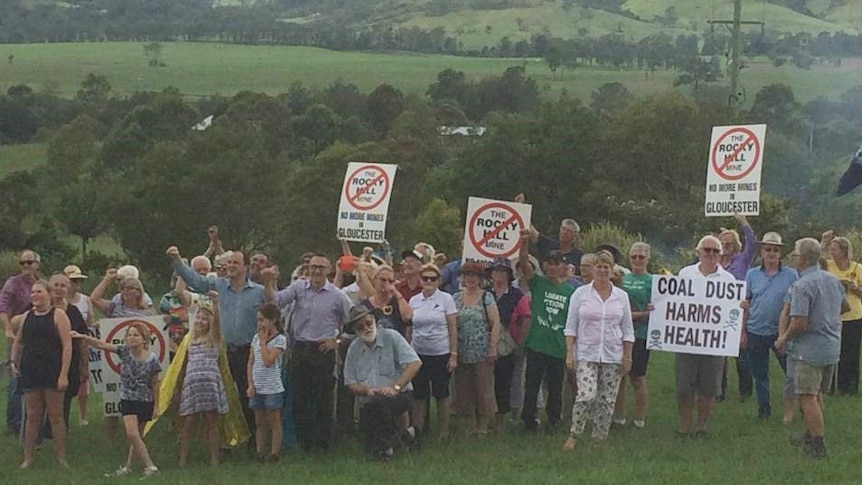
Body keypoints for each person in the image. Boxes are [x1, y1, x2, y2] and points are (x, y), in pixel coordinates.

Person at [168, 245, 273, 445]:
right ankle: (223, 443)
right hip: (223, 353)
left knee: (248, 397)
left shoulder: (258, 292)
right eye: (229, 262)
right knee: (221, 398)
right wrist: (177, 262)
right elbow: (196, 281)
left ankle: (253, 441)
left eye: (235, 263)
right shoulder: (218, 285)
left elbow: (275, 307)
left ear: (246, 267)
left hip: (249, 353)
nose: (231, 266)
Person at [267, 252, 352, 452]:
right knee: (299, 397)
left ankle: (321, 443)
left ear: (329, 270)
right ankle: (304, 441)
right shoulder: (299, 288)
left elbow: (354, 320)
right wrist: (269, 283)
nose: (316, 271)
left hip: (323, 350)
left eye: (321, 267)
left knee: (323, 398)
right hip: (300, 348)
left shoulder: (337, 295)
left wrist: (337, 341)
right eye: (313, 267)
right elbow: (276, 301)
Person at [776, 238, 847, 459]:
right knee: (816, 394)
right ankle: (810, 433)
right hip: (832, 347)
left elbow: (799, 322)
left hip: (809, 350)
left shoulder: (801, 285)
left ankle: (818, 444)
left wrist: (783, 338)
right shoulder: (832, 279)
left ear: (803, 259)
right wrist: (827, 318)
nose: (794, 257)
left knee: (807, 396)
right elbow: (845, 306)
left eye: (796, 254)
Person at [563, 250, 634, 450]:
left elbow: (628, 329)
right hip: (586, 352)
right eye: (599, 266)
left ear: (612, 271)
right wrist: (570, 352)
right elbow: (570, 326)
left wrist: (627, 356)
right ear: (592, 269)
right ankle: (574, 433)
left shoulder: (621, 297)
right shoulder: (581, 294)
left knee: (607, 399)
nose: (602, 270)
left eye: (606, 267)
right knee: (586, 394)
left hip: (613, 353)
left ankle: (599, 438)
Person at [72, 322, 161, 478]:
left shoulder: (152, 359)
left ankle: (128, 467)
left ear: (144, 339)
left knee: (137, 437)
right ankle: (150, 466)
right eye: (130, 335)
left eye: (136, 335)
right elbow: (101, 344)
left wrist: (157, 405)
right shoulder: (124, 352)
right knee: (132, 433)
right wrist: (83, 337)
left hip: (146, 400)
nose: (132, 338)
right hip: (128, 399)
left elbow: (155, 383)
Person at [674, 235, 736, 438]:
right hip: (687, 340)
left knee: (709, 389)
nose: (710, 254)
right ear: (698, 252)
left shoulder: (728, 280)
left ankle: (701, 427)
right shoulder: (685, 274)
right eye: (707, 250)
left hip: (714, 344)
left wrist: (740, 307)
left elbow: (732, 311)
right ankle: (684, 427)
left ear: (721, 254)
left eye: (715, 251)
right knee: (684, 388)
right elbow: (673, 302)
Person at [343, 305, 422, 462]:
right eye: (360, 326)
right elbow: (350, 382)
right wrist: (367, 391)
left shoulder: (392, 337)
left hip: (399, 395)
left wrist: (395, 387)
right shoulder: (354, 349)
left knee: (377, 407)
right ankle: (408, 435)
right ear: (355, 330)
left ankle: (385, 450)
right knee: (373, 406)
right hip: (369, 398)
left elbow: (415, 363)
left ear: (374, 320)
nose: (366, 328)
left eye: (368, 323)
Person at [517, 231, 576, 432]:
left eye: (555, 263)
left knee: (555, 388)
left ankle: (553, 420)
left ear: (563, 267)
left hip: (557, 346)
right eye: (548, 263)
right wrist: (523, 243)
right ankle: (528, 420)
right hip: (536, 344)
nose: (551, 267)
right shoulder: (538, 283)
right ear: (544, 265)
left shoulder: (570, 292)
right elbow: (524, 263)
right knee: (532, 386)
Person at [10, 280, 72, 469]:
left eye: (39, 291)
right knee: (32, 416)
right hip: (31, 370)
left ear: (48, 294)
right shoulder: (27, 316)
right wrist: (13, 362)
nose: (35, 295)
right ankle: (28, 458)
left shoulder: (58, 315)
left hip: (52, 370)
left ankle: (61, 457)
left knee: (56, 416)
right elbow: (18, 341)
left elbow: (67, 345)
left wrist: (63, 374)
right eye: (33, 292)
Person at [742, 232, 798, 420]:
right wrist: (742, 330)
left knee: (791, 373)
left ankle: (797, 409)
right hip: (755, 329)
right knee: (760, 374)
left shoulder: (791, 275)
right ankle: (764, 410)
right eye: (768, 249)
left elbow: (798, 303)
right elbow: (746, 302)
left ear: (781, 253)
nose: (772, 253)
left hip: (780, 332)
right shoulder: (751, 274)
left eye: (775, 250)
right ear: (761, 252)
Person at [177, 299, 230, 467]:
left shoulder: (214, 338)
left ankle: (214, 457)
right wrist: (178, 387)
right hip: (192, 386)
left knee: (212, 422)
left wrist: (216, 305)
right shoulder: (189, 340)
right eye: (198, 318)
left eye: (204, 319)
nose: (200, 321)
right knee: (189, 423)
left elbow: (217, 325)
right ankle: (183, 458)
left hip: (210, 386)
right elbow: (182, 365)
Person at [408, 263, 457, 439]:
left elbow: (452, 327)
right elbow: (410, 328)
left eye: (433, 278)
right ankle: (418, 430)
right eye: (425, 278)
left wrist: (453, 355)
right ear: (420, 280)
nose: (429, 281)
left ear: (438, 281)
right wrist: (407, 351)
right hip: (418, 354)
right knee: (419, 395)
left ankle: (444, 431)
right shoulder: (413, 300)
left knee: (442, 394)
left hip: (440, 353)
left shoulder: (446, 299)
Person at [453, 262, 500, 436]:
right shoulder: (455, 298)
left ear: (480, 279)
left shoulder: (486, 297)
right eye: (467, 275)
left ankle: (484, 425)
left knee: (483, 389)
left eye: (474, 275)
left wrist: (493, 348)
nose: (470, 279)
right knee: (464, 390)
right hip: (461, 351)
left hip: (482, 351)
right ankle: (469, 424)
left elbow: (495, 323)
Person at [487, 257, 531, 431]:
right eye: (496, 271)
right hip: (484, 344)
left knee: (504, 383)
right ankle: (485, 419)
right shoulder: (484, 293)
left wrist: (519, 341)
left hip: (507, 346)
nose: (499, 274)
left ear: (509, 275)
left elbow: (525, 318)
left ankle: (500, 422)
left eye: (502, 271)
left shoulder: (516, 295)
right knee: (484, 384)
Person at [614, 242, 654, 428]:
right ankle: (618, 416)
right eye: (633, 257)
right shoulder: (622, 278)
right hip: (618, 333)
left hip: (641, 334)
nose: (637, 260)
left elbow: (658, 309)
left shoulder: (653, 281)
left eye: (641, 257)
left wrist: (641, 315)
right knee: (618, 376)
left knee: (637, 377)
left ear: (648, 258)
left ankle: (639, 418)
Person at [1, 249, 41, 434]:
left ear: (37, 264)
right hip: (18, 335)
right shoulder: (13, 283)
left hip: (38, 337)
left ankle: (34, 419)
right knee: (16, 378)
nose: (26, 266)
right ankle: (14, 422)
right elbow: (3, 306)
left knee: (36, 378)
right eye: (22, 263)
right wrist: (8, 328)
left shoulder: (42, 283)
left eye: (29, 262)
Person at [718, 214, 756, 401]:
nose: (725, 248)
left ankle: (745, 393)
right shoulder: (714, 264)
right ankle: (719, 392)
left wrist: (743, 222)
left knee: (741, 355)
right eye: (722, 244)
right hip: (718, 313)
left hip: (740, 312)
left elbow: (753, 243)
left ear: (735, 245)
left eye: (729, 244)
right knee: (719, 357)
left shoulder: (742, 260)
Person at [820, 231, 862, 395]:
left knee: (850, 353)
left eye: (834, 249)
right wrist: (823, 242)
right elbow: (813, 259)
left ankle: (848, 388)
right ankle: (827, 387)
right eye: (830, 249)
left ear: (844, 251)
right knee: (830, 352)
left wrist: (855, 288)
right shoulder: (828, 266)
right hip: (831, 315)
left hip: (853, 316)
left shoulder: (857, 268)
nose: (831, 252)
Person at [246, 303, 287, 462]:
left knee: (274, 420)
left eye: (262, 320)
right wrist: (250, 384)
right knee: (259, 421)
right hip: (257, 385)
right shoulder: (255, 338)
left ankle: (274, 453)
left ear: (273, 320)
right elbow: (251, 362)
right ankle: (260, 452)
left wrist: (263, 342)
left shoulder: (280, 340)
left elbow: (268, 360)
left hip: (272, 387)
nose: (259, 324)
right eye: (258, 320)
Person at [48, 274, 89, 431]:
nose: (59, 289)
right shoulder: (41, 309)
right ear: (49, 287)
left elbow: (83, 340)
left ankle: (61, 432)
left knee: (66, 398)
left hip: (71, 362)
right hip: (46, 362)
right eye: (55, 285)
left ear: (68, 288)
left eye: (63, 285)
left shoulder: (74, 312)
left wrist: (84, 366)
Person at [64, 265, 94, 427]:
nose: (76, 284)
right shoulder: (58, 302)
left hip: (79, 341)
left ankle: (83, 416)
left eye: (78, 281)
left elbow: (89, 323)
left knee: (83, 382)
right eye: (73, 281)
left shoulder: (85, 300)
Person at [359, 264, 413, 336]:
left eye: (390, 281)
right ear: (374, 280)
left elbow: (408, 317)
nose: (386, 283)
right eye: (383, 280)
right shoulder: (365, 304)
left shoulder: (397, 302)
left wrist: (395, 291)